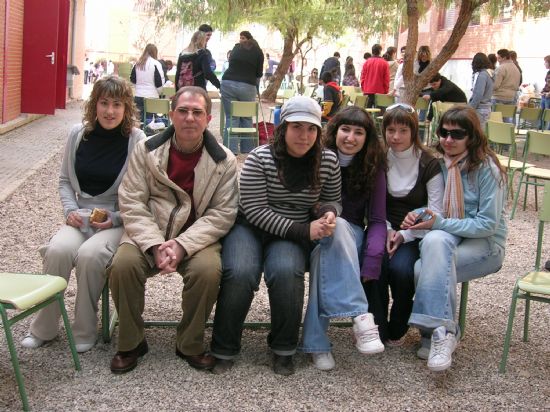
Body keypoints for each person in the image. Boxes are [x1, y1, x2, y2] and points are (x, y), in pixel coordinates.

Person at [107, 86, 238, 374]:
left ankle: (189, 343)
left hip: (196, 238)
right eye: (183, 111)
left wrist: (181, 245)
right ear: (171, 115)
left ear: (208, 118)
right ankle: (131, 342)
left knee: (207, 271)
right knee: (123, 265)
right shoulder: (147, 150)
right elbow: (131, 201)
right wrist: (155, 244)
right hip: (148, 233)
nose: (189, 118)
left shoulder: (224, 161)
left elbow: (222, 213)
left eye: (197, 112)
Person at [210, 96, 342, 376]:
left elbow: (332, 199)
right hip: (250, 227)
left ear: (319, 131)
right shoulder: (260, 158)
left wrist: (328, 212)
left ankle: (284, 347)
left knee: (286, 271)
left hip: (290, 232)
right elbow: (255, 210)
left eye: (311, 129)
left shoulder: (327, 160)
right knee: (240, 271)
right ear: (283, 127)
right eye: (297, 127)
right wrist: (305, 231)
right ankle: (224, 346)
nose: (304, 136)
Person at [21, 76, 145, 353]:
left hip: (116, 217)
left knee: (91, 256)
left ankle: (84, 329)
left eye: (117, 104)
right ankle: (44, 328)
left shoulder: (136, 140)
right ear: (94, 105)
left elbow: (142, 193)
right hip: (80, 214)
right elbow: (65, 180)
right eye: (104, 103)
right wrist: (69, 211)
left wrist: (116, 218)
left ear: (126, 108)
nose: (109, 111)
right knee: (57, 251)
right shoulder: (77, 134)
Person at [403, 105, 507, 372]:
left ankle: (433, 334)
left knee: (423, 267)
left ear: (471, 137)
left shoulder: (487, 169)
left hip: (485, 244)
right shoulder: (439, 164)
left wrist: (439, 223)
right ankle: (444, 333)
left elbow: (486, 224)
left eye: (456, 135)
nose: (448, 140)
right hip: (448, 236)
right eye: (443, 133)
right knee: (434, 243)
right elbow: (435, 208)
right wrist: (415, 217)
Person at [301, 106, 386, 371]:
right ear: (334, 131)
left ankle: (316, 343)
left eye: (358, 132)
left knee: (333, 239)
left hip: (352, 237)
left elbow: (376, 221)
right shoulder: (316, 158)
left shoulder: (374, 168)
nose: (350, 137)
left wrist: (372, 260)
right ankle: (361, 315)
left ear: (367, 138)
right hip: (311, 231)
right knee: (325, 248)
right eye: (345, 129)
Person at [364, 103, 444, 345]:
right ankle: (377, 326)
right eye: (390, 130)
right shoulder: (378, 159)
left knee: (401, 269)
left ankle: (398, 325)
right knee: (373, 263)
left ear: (413, 132)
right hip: (382, 227)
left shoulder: (429, 164)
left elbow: (435, 211)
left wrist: (404, 235)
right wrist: (388, 230)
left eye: (402, 130)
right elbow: (372, 205)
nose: (395, 137)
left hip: (415, 234)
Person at [220, 30, 264, 154]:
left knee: (231, 117)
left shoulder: (236, 48)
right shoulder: (258, 52)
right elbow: (258, 74)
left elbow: (232, 63)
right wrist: (257, 90)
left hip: (228, 82)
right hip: (247, 85)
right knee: (246, 117)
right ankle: (247, 149)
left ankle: (230, 149)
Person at [130, 44, 165, 119]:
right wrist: (159, 93)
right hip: (152, 97)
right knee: (150, 123)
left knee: (139, 121)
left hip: (138, 95)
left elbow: (132, 80)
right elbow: (159, 82)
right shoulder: (156, 64)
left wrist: (138, 88)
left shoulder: (138, 64)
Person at [491, 49, 521, 123]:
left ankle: (496, 134)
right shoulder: (516, 68)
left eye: (499, 58)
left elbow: (495, 85)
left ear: (504, 58)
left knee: (496, 121)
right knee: (506, 120)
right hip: (511, 97)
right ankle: (505, 134)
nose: (498, 60)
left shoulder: (501, 68)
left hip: (498, 97)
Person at [469, 52, 494, 127]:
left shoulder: (482, 75)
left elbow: (478, 94)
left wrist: (470, 108)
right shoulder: (490, 74)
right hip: (487, 108)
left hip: (480, 109)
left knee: (478, 133)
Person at [360, 44, 390, 108]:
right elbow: (386, 79)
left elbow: (362, 77)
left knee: (366, 114)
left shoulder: (366, 62)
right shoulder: (384, 63)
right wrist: (386, 91)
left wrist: (363, 88)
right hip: (380, 92)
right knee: (380, 114)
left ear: (372, 51)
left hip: (367, 91)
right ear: (380, 51)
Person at [540, 55, 550, 130]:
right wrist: (543, 90)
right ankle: (540, 131)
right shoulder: (548, 72)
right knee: (541, 115)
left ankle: (547, 133)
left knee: (548, 116)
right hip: (544, 96)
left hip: (548, 97)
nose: (544, 64)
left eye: (545, 62)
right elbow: (547, 84)